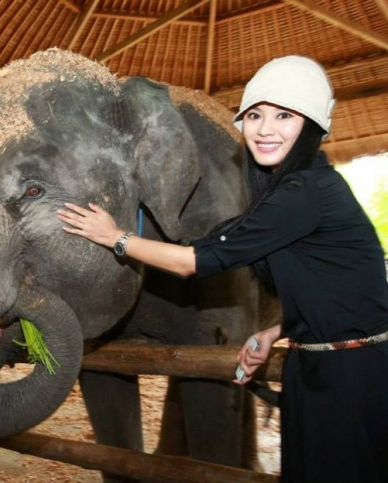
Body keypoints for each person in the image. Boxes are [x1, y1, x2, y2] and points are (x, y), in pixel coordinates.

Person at [58, 55, 388, 482]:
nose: (265, 128)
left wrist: (114, 236)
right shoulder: (293, 190)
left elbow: (196, 261)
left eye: (284, 115)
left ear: (312, 125)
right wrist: (278, 331)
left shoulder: (305, 192)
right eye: (255, 115)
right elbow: (334, 286)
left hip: (352, 377)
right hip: (317, 365)